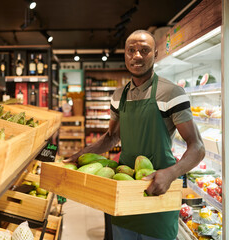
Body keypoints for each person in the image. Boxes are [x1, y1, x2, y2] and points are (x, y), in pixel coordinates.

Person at [64, 30, 205, 240]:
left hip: (159, 188)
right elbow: (112, 137)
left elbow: (197, 147)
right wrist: (82, 154)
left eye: (144, 50)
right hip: (125, 188)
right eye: (131, 50)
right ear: (125, 55)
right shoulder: (118, 96)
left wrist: (171, 173)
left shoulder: (171, 93)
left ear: (155, 54)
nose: (137, 55)